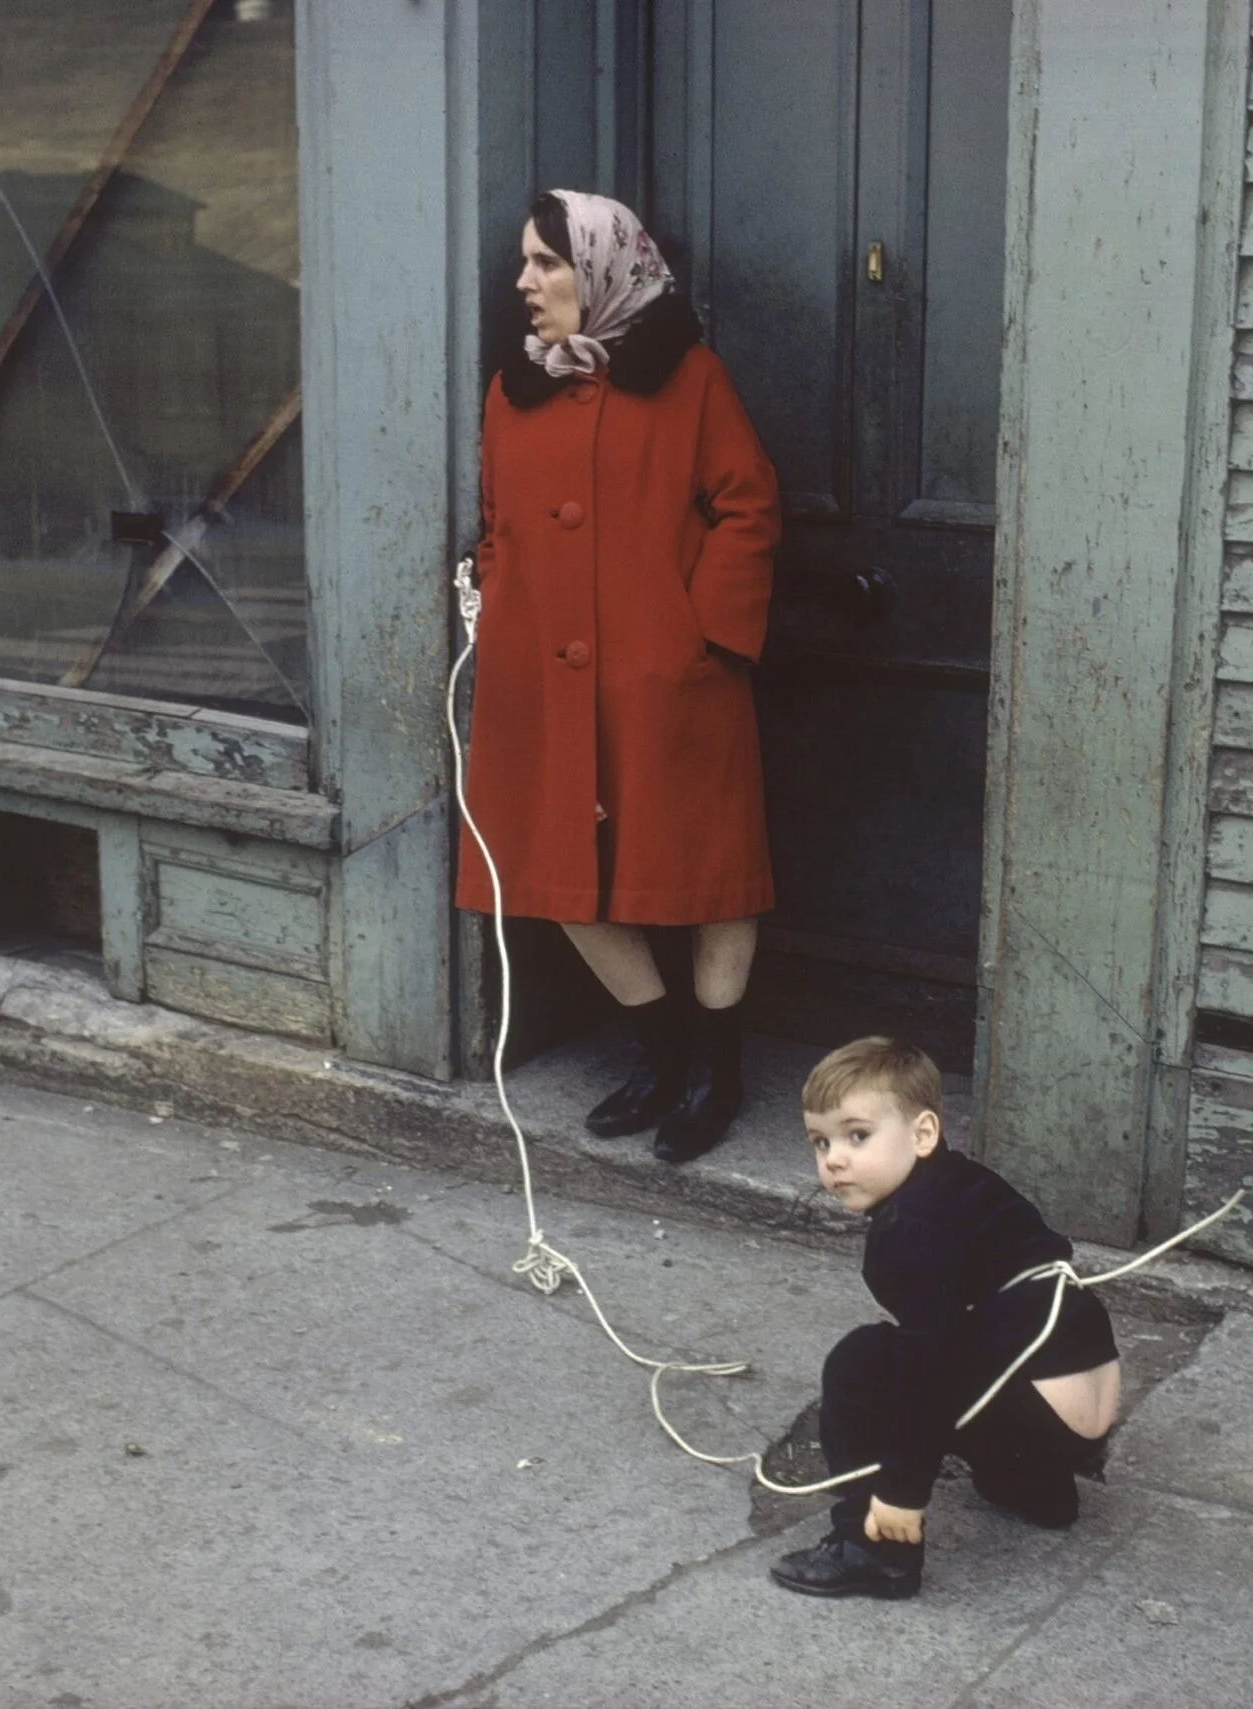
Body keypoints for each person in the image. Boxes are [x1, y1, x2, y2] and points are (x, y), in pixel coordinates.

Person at [456, 189, 781, 1165]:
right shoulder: (512, 389)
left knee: (711, 872)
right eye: (525, 261)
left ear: (600, 271)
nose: (524, 281)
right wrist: (493, 591)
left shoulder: (690, 380)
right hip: (542, 683)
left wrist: (703, 639)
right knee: (559, 872)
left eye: (546, 262)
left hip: (669, 677)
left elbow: (748, 507)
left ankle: (715, 1069)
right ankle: (661, 1046)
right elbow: (498, 519)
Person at [770, 1037, 1122, 1601]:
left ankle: (878, 1550)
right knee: (965, 1339)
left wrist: (901, 1490)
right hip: (1077, 1418)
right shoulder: (967, 1185)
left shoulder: (909, 1230)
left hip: (1038, 1415)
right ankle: (1038, 1489)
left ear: (923, 1133)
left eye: (857, 1135)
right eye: (820, 1142)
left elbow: (931, 1364)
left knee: (862, 1362)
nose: (834, 1159)